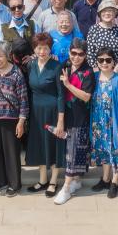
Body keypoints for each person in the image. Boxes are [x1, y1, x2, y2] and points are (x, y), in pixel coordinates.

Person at [52, 38, 95, 205]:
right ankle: (76, 180)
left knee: (74, 150)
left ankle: (66, 187)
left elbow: (86, 97)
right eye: (73, 53)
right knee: (71, 150)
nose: (76, 57)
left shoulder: (88, 72)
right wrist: (60, 120)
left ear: (85, 55)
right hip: (66, 114)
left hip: (80, 117)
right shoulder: (63, 67)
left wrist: (68, 85)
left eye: (81, 54)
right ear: (69, 52)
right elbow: (60, 95)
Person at [0, 41, 29, 196]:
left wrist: (21, 121)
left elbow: (23, 99)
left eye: (0, 56)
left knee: (11, 153)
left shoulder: (16, 73)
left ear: (8, 56)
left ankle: (14, 184)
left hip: (11, 119)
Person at [24, 33, 65, 196]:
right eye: (39, 48)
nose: (42, 51)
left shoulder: (57, 66)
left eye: (45, 48)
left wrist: (61, 119)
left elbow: (61, 94)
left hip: (52, 112)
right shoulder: (31, 65)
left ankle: (53, 181)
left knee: (53, 145)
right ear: (34, 49)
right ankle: (42, 180)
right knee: (40, 144)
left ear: (50, 49)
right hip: (35, 112)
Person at [89, 46, 118, 199]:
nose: (104, 63)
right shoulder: (94, 78)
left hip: (113, 122)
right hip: (98, 122)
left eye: (108, 60)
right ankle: (105, 179)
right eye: (101, 60)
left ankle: (115, 181)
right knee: (104, 151)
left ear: (113, 62)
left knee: (115, 151)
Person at [86, 0, 118, 74]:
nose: (107, 13)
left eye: (110, 11)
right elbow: (90, 52)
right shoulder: (93, 29)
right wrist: (97, 72)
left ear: (115, 13)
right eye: (104, 11)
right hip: (97, 71)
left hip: (115, 71)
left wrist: (115, 72)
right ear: (100, 13)